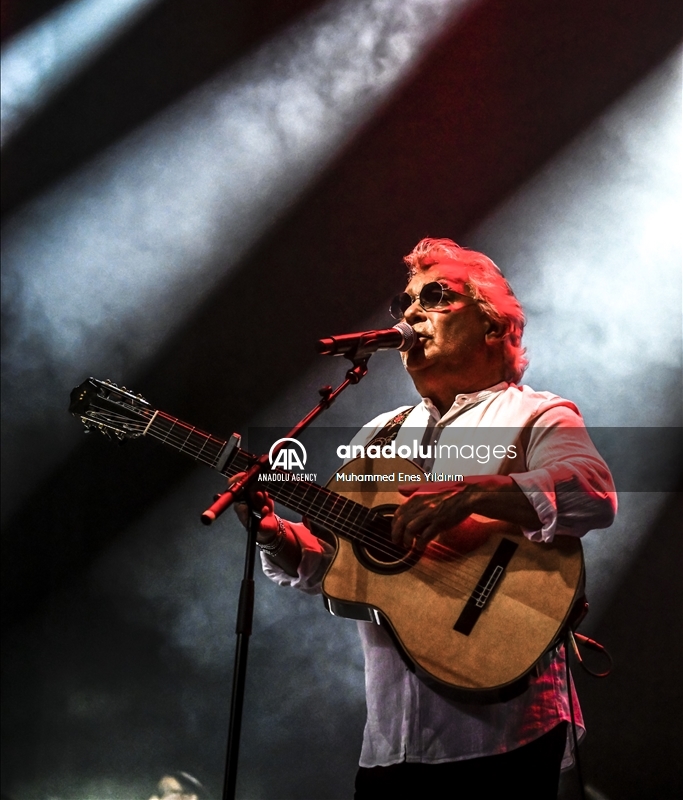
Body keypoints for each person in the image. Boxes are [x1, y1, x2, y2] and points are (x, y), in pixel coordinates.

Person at [234, 238, 617, 799]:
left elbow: (594, 493)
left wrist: (472, 494)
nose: (411, 312)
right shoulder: (380, 433)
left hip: (504, 735)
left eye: (435, 297)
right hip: (391, 746)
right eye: (405, 301)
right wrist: (274, 536)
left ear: (492, 327)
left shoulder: (536, 413)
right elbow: (334, 567)